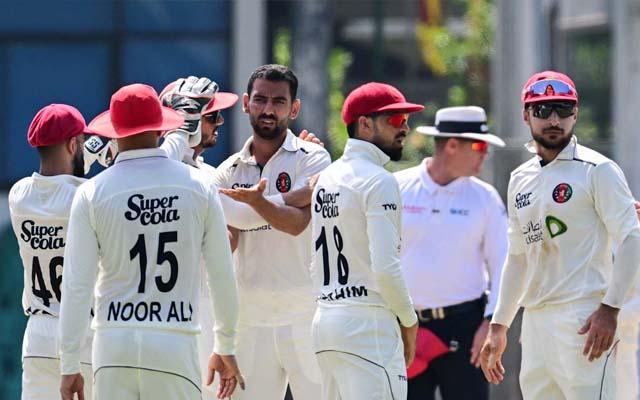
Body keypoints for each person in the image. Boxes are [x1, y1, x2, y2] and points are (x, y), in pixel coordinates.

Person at [58, 83, 243, 399]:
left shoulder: (92, 192)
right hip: (175, 340)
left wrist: (70, 363)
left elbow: (77, 285)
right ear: (161, 125)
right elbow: (221, 273)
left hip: (114, 346)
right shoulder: (199, 185)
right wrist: (224, 344)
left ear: (115, 130)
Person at [480, 70, 640, 399]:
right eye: (542, 110)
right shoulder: (519, 178)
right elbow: (518, 258)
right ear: (526, 115)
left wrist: (609, 309)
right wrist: (499, 325)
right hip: (536, 321)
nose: (554, 120)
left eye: (563, 110)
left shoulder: (598, 170)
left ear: (575, 113)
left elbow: (632, 239)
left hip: (585, 318)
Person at [210, 64, 331, 400]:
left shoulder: (313, 158)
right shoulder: (227, 171)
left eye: (278, 102)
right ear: (246, 103)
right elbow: (227, 240)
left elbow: (296, 225)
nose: (268, 109)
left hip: (305, 313)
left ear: (294, 109)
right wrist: (291, 198)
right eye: (260, 100)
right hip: (250, 319)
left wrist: (249, 206)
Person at [309, 82, 422, 399]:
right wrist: (410, 322)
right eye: (395, 120)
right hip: (367, 327)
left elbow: (313, 265)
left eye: (405, 119)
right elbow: (385, 268)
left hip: (326, 323)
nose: (405, 128)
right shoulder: (379, 180)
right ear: (365, 124)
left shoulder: (328, 177)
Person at [394, 105, 507, 400]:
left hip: (466, 328)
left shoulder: (485, 198)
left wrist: (490, 324)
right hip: (404, 328)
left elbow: (503, 267)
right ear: (453, 145)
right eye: (480, 145)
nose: (485, 153)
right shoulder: (397, 188)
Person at [8, 104, 94, 399]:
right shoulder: (86, 196)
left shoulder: (19, 195)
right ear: (73, 144)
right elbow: (86, 190)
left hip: (38, 335)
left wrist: (83, 155)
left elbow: (57, 188)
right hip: (83, 334)